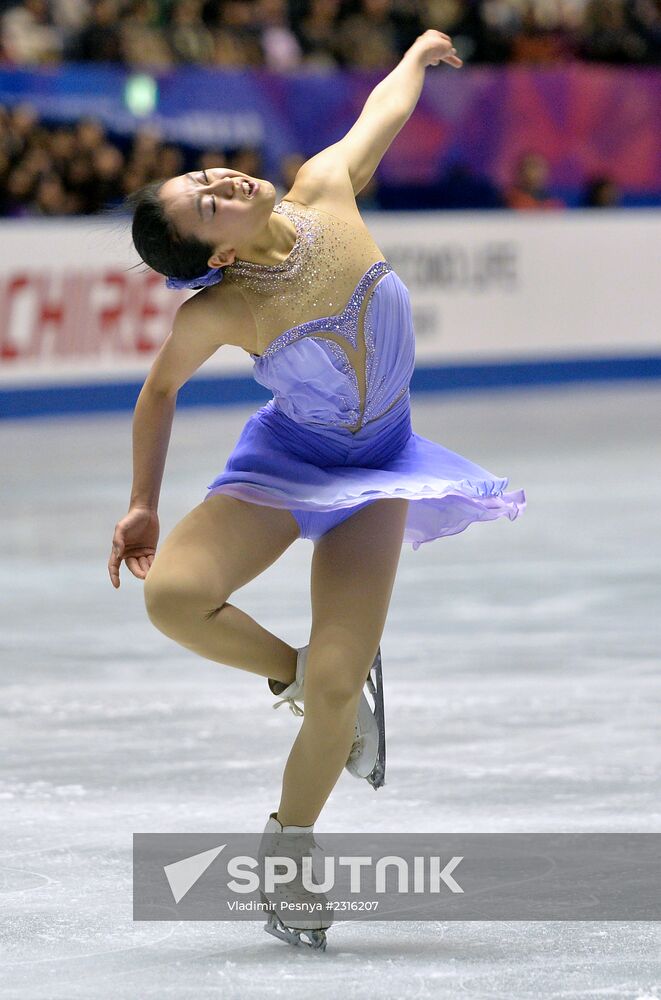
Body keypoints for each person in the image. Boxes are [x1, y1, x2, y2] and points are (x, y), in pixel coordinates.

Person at [109, 28, 526, 949]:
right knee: (174, 597)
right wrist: (143, 501)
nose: (221, 186)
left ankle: (287, 842)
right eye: (205, 206)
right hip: (285, 464)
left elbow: (379, 114)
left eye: (209, 177)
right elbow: (158, 389)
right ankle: (293, 676)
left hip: (377, 472)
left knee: (341, 687)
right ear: (212, 257)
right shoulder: (222, 307)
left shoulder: (324, 187)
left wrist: (414, 59)